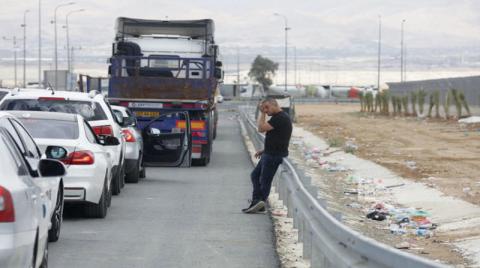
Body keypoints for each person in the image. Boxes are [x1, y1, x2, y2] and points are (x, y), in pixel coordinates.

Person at [242, 98, 292, 214]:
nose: (265, 110)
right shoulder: (277, 117)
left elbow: (260, 128)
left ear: (274, 105)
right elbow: (278, 138)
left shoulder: (280, 118)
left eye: (266, 107)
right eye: (264, 108)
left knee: (265, 180)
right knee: (255, 175)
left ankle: (260, 202)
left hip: (274, 156)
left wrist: (262, 113)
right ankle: (257, 202)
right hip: (269, 153)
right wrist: (264, 150)